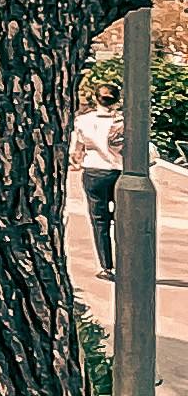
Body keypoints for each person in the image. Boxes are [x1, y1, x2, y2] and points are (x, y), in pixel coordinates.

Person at [70, 93, 121, 275]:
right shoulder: (122, 121)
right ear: (117, 99)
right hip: (120, 172)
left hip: (94, 171)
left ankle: (106, 266)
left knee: (99, 220)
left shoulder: (83, 120)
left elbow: (75, 150)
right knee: (124, 219)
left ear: (95, 98)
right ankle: (127, 262)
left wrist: (76, 161)